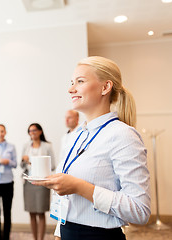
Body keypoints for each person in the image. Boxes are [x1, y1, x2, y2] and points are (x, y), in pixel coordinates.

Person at [33, 56, 151, 240]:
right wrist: (59, 232)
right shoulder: (74, 137)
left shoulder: (123, 135)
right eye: (72, 82)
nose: (71, 89)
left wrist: (80, 187)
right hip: (67, 231)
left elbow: (139, 210)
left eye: (80, 81)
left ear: (105, 87)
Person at [20, 123, 56, 240]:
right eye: (30, 131)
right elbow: (21, 165)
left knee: (41, 212)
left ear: (40, 131)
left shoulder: (47, 146)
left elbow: (53, 165)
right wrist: (24, 160)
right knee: (31, 212)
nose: (32, 133)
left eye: (34, 130)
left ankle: (41, 239)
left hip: (42, 183)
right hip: (29, 183)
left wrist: (34, 162)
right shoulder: (26, 146)